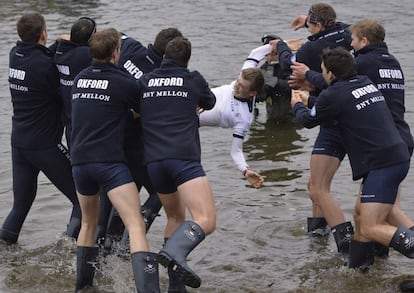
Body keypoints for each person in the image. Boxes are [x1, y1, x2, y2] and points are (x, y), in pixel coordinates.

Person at [291, 46, 413, 271]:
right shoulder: (364, 81)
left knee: (370, 228)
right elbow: (337, 104)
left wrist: (297, 103)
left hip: (383, 164)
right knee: (361, 215)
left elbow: (308, 120)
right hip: (396, 156)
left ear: (330, 74)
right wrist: (311, 99)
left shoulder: (333, 94)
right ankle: (359, 270)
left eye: (323, 71)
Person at [70, 28, 159, 292]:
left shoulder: (80, 79)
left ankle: (83, 287)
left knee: (88, 223)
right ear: (115, 53)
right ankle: (149, 290)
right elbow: (145, 110)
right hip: (109, 163)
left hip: (79, 162)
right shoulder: (124, 83)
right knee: (135, 225)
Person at [274, 2, 354, 259]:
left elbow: (289, 66)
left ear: (317, 24)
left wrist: (282, 45)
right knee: (315, 185)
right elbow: (329, 27)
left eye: (310, 22)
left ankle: (346, 246)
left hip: (332, 119)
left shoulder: (311, 48)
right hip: (348, 113)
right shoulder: (347, 31)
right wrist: (306, 20)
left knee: (317, 188)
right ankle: (318, 242)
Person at [138, 36, 216, 289]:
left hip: (154, 162)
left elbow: (135, 107)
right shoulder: (192, 79)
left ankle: (175, 287)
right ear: (187, 60)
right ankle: (174, 253)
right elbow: (210, 102)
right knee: (206, 219)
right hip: (183, 159)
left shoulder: (146, 80)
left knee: (175, 216)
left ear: (163, 57)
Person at [0, 12, 81, 245]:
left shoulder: (14, 55)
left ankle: (5, 253)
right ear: (43, 34)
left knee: (21, 205)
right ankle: (67, 248)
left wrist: (59, 42)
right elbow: (63, 89)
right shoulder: (46, 66)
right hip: (44, 145)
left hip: (19, 143)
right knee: (83, 199)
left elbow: (41, 54)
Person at [101, 28, 183, 255]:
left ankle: (111, 242)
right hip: (135, 141)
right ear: (168, 56)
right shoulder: (158, 76)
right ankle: (132, 236)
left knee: (128, 188)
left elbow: (112, 34)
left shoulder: (129, 46)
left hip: (111, 137)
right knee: (160, 192)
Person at [198, 43, 270, 189]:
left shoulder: (244, 119)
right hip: (187, 99)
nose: (236, 86)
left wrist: (245, 170)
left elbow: (236, 151)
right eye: (237, 81)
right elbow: (255, 54)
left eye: (241, 86)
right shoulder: (246, 74)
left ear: (252, 94)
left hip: (185, 121)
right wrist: (281, 45)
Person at [53, 17, 96, 148]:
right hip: (86, 123)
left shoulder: (60, 51)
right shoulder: (86, 55)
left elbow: (60, 40)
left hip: (69, 121)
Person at [258, 34, 302, 123]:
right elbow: (262, 95)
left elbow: (294, 86)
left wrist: (272, 81)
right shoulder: (264, 69)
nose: (271, 55)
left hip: (292, 117)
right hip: (272, 117)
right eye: (268, 53)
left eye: (274, 52)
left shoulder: (291, 66)